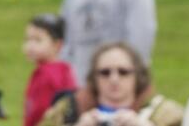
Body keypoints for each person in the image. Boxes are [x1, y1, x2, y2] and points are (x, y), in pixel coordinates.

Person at [40, 42, 181, 126]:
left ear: (138, 75)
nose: (114, 79)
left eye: (123, 72)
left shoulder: (163, 112)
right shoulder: (67, 110)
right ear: (94, 76)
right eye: (105, 72)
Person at [22, 13, 76, 126]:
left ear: (57, 44)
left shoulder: (47, 75)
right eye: (28, 39)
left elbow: (39, 111)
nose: (30, 45)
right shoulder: (65, 69)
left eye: (37, 40)